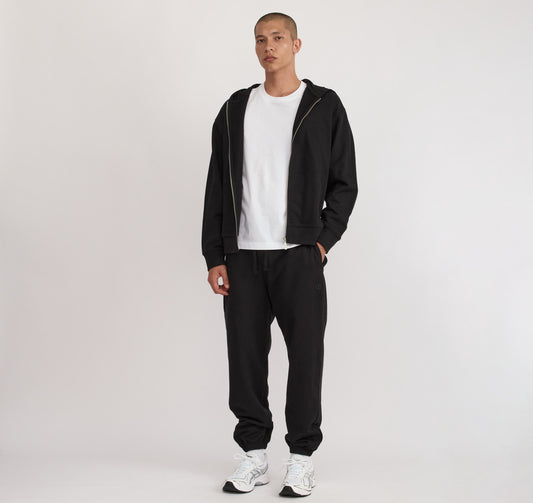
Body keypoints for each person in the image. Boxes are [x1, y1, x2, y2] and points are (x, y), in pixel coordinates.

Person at [201, 12, 357, 497]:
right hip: (242, 257)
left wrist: (321, 242)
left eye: (277, 38)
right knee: (245, 360)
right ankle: (253, 456)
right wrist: (214, 255)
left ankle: (301, 459)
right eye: (260, 40)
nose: (268, 47)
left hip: (298, 256)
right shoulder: (235, 108)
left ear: (296, 44)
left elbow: (345, 184)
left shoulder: (323, 106)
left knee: (305, 359)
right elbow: (216, 185)